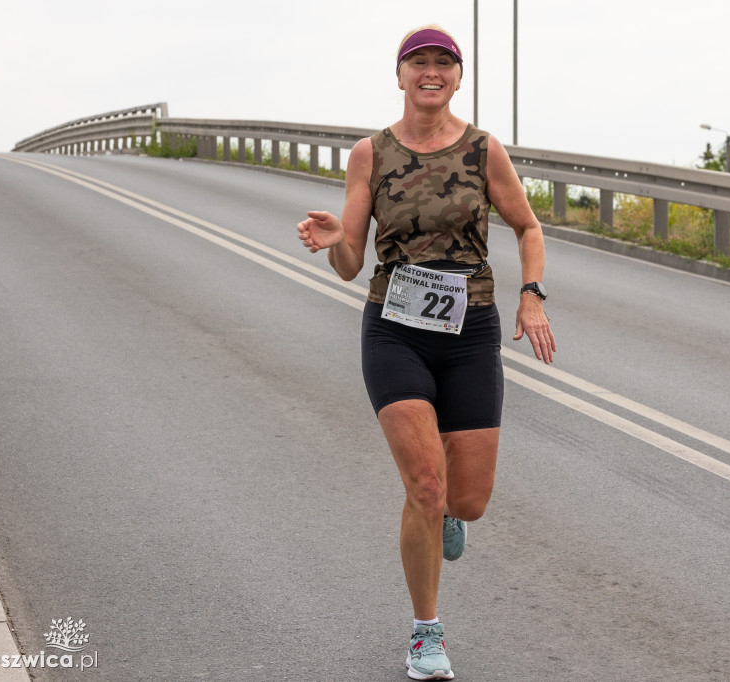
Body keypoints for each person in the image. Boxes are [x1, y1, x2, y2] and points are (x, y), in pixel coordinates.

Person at [297, 24, 555, 681]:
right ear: (401, 74)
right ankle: (426, 636)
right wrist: (335, 242)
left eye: (444, 62)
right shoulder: (371, 154)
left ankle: (444, 514)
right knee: (425, 486)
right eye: (419, 62)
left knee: (466, 501)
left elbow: (528, 226)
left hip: (471, 332)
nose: (431, 72)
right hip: (396, 329)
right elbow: (352, 264)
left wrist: (531, 295)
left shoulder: (482, 150)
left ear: (458, 77)